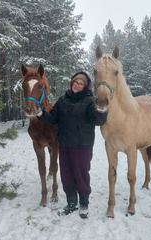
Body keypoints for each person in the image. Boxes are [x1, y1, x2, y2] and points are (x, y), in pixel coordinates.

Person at [37, 71, 107, 219]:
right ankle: (71, 203)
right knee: (67, 175)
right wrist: (40, 114)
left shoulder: (90, 101)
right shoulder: (63, 100)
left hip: (82, 146)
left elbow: (98, 120)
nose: (77, 85)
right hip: (65, 144)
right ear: (72, 83)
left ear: (85, 86)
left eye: (81, 83)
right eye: (75, 82)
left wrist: (102, 109)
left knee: (81, 175)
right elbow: (53, 118)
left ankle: (84, 204)